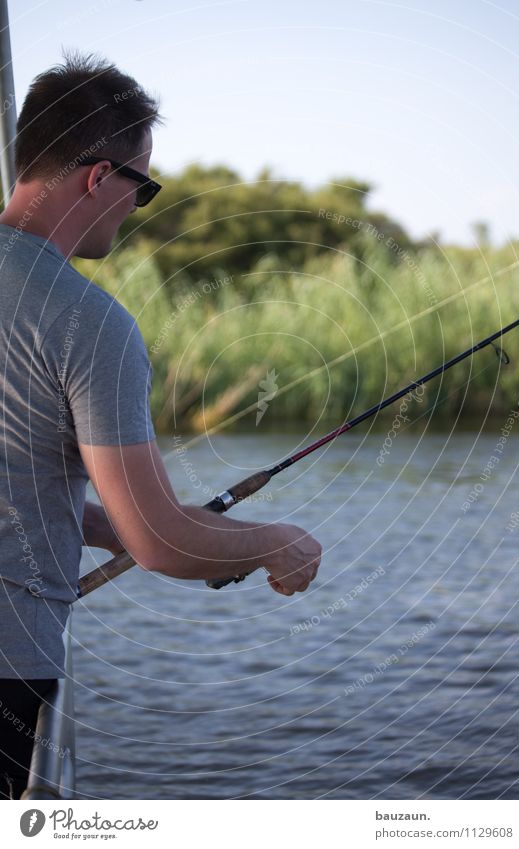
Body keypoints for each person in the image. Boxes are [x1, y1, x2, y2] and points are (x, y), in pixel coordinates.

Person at [0, 52, 321, 799]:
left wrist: (107, 526)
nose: (134, 206)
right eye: (141, 185)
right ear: (98, 176)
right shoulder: (87, 321)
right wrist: (279, 541)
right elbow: (163, 542)